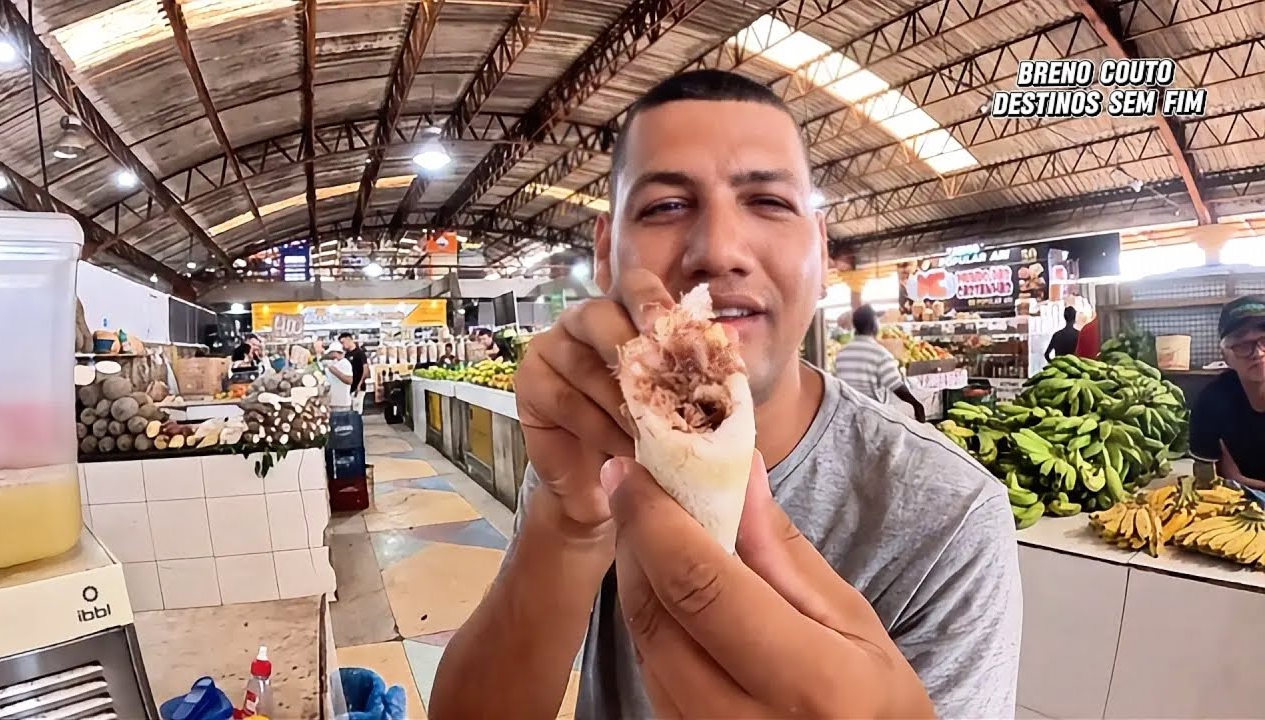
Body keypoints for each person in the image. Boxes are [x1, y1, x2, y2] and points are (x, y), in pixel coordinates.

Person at [432, 70, 1019, 719]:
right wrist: (569, 526)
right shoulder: (599, 446)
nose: (718, 251)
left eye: (768, 202)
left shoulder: (949, 517)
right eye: (664, 207)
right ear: (606, 254)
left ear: (822, 255)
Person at [1190, 296, 1265, 499]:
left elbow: (1231, 479)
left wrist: (1243, 481)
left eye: (1264, 340)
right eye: (1242, 345)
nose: (1258, 353)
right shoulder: (1211, 403)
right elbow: (1206, 481)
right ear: (1225, 356)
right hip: (1236, 507)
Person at [834, 304, 927, 422]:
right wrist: (916, 404)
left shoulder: (842, 353)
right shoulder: (880, 354)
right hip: (872, 416)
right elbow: (896, 385)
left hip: (847, 416)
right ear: (873, 326)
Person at [338, 333, 369, 413]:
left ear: (349, 339)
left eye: (343, 342)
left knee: (357, 411)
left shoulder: (360, 353)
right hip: (349, 388)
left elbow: (365, 370)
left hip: (358, 387)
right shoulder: (347, 355)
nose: (342, 345)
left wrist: (359, 384)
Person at [321, 342, 353, 411]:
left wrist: (333, 370)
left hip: (342, 404)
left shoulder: (345, 363)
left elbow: (349, 380)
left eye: (331, 353)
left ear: (335, 352)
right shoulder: (333, 363)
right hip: (332, 403)